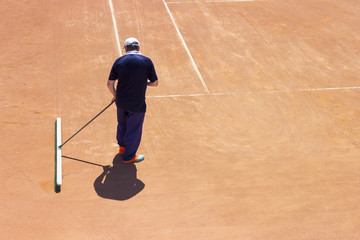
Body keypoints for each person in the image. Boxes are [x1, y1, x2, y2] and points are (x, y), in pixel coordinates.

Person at [107, 37, 158, 163]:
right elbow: (155, 83)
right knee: (134, 129)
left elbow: (109, 84)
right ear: (139, 48)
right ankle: (129, 157)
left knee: (122, 124)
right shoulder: (147, 61)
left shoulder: (119, 61)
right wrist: (145, 84)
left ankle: (122, 148)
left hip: (121, 102)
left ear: (125, 48)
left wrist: (115, 95)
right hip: (137, 103)